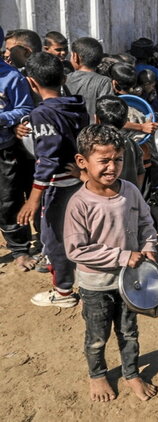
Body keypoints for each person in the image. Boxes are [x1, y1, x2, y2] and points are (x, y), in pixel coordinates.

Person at [63, 124, 158, 403]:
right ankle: (97, 374)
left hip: (129, 280)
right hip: (96, 284)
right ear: (82, 161)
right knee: (97, 334)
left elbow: (146, 222)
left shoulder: (130, 190)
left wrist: (148, 246)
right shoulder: (80, 203)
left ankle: (131, 373)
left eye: (118, 160)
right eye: (104, 160)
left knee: (129, 331)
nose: (112, 167)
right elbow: (76, 250)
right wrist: (122, 256)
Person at [18, 52, 89, 307]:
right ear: (64, 78)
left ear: (31, 82)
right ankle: (84, 279)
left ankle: (63, 293)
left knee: (54, 240)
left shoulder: (43, 113)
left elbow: (48, 158)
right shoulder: (76, 105)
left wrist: (33, 199)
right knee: (81, 233)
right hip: (80, 180)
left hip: (58, 186)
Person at [0, 26, 36, 271]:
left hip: (4, 149)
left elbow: (25, 109)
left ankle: (19, 249)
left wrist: (3, 118)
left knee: (8, 200)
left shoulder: (12, 77)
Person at [95, 96, 145, 188]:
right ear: (125, 121)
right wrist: (136, 192)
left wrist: (80, 175)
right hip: (129, 194)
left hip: (105, 195)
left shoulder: (94, 145)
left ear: (97, 119)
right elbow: (140, 172)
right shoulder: (132, 144)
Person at [65, 37, 114, 118]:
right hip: (94, 126)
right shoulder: (104, 82)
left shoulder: (65, 79)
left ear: (75, 57)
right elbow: (107, 111)